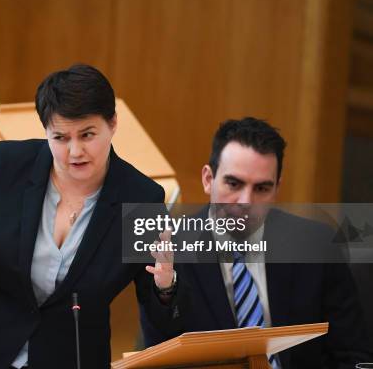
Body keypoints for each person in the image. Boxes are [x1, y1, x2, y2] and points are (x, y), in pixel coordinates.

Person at [0, 64, 166, 368]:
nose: (75, 152)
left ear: (112, 124)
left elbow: (168, 315)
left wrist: (167, 285)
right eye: (60, 137)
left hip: (66, 356)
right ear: (46, 131)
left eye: (87, 135)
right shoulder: (2, 165)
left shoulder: (142, 199)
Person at [141, 117, 373, 368]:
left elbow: (354, 355)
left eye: (262, 188)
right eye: (234, 183)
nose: (245, 201)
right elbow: (156, 357)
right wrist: (165, 291)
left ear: (277, 189)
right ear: (208, 179)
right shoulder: (170, 248)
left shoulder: (316, 245)